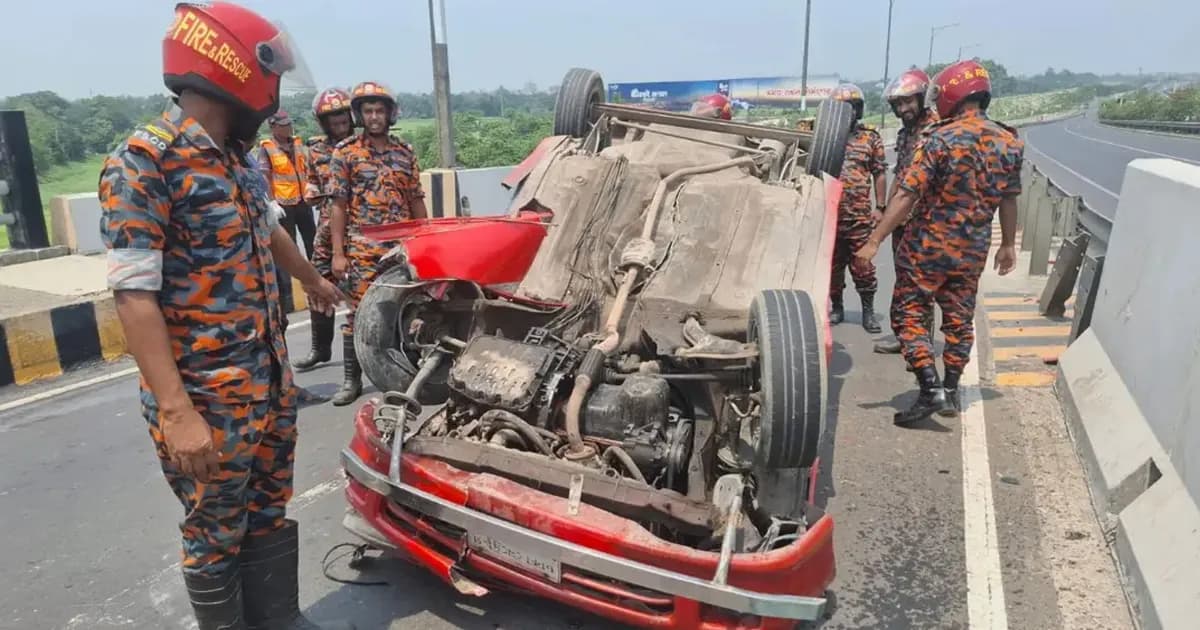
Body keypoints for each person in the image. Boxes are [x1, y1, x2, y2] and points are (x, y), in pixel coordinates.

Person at [97, 3, 351, 628]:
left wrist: (315, 281)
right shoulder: (144, 162)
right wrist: (178, 412)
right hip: (206, 398)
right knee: (214, 530)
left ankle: (280, 620)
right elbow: (133, 295)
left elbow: (268, 231)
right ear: (231, 69)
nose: (272, 96)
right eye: (271, 78)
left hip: (266, 382)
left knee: (267, 511)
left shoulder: (237, 158)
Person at [853, 59, 1023, 425]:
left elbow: (907, 194)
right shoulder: (1010, 141)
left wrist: (875, 239)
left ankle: (929, 389)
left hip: (927, 248)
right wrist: (1008, 245)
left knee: (907, 315)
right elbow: (1009, 198)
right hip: (973, 251)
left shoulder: (939, 137)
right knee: (959, 322)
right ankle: (951, 388)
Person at [327, 80, 428, 406]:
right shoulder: (345, 154)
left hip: (401, 248)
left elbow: (416, 200)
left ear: (389, 114)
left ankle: (400, 377)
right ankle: (351, 380)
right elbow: (338, 206)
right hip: (363, 248)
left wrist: (426, 240)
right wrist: (338, 253)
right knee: (358, 315)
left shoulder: (404, 153)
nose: (374, 117)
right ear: (360, 115)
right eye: (368, 111)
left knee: (406, 312)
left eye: (379, 111)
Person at [874, 68, 939, 355]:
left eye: (908, 102)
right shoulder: (905, 134)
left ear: (922, 98)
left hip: (925, 222)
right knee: (903, 281)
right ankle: (905, 336)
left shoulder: (936, 131)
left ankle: (920, 341)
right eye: (898, 105)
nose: (903, 109)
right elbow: (900, 175)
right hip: (903, 220)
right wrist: (885, 211)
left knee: (920, 285)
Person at [292, 87, 355, 374]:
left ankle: (361, 362)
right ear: (323, 122)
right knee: (317, 282)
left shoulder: (362, 144)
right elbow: (312, 182)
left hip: (358, 227)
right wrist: (312, 192)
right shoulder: (316, 149)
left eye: (343, 115)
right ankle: (320, 348)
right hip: (327, 228)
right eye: (333, 118)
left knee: (358, 292)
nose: (340, 121)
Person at [827, 83, 887, 333]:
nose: (847, 113)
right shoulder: (826, 138)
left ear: (858, 110)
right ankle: (837, 307)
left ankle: (868, 313)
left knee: (863, 266)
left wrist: (881, 207)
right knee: (832, 268)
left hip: (859, 217)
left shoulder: (869, 138)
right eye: (841, 108)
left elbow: (879, 173)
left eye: (851, 108)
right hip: (829, 217)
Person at [256, 109, 316, 259]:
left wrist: (312, 186)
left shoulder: (297, 142)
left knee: (313, 241)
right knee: (289, 244)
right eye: (284, 125)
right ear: (273, 127)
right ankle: (294, 278)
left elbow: (306, 167)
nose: (288, 127)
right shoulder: (267, 148)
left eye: (289, 124)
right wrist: (272, 202)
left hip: (303, 200)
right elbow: (265, 177)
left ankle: (317, 275)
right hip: (284, 204)